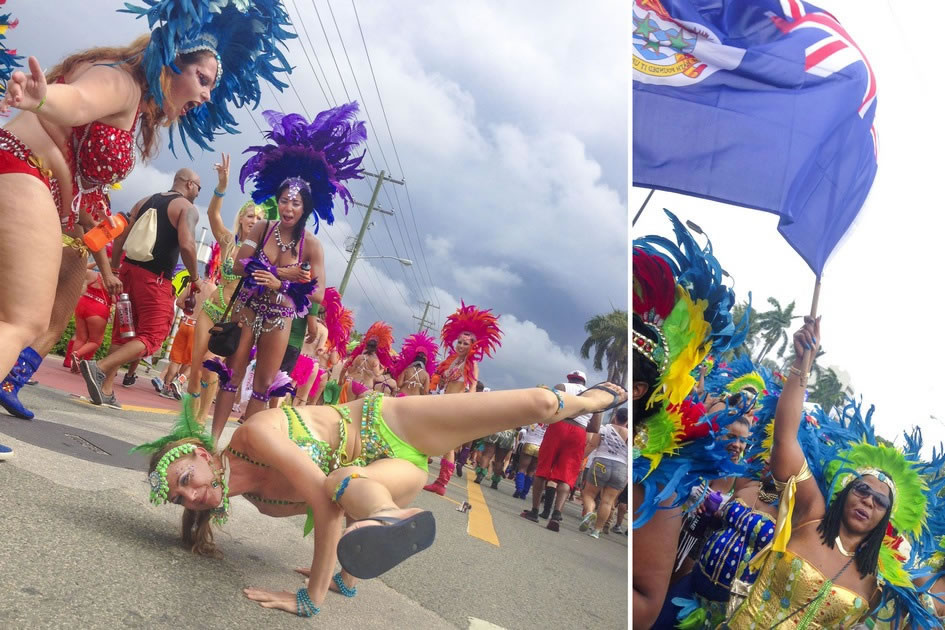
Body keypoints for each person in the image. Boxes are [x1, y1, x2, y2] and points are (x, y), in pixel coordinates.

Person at [0, 1, 293, 404]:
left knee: (25, 318)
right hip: (20, 170)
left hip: (35, 190)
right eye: (202, 78)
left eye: (211, 86)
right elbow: (80, 100)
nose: (207, 95)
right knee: (22, 321)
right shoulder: (122, 82)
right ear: (173, 60)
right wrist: (43, 97)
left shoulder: (134, 98)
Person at [136, 379, 627, 618]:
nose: (193, 494)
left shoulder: (254, 433)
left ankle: (597, 397)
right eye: (181, 499)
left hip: (388, 422)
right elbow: (337, 504)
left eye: (185, 477)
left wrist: (314, 596)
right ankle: (391, 520)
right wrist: (346, 574)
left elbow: (327, 509)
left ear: (201, 452)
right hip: (391, 477)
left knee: (541, 404)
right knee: (343, 481)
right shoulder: (263, 503)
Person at [726, 318, 934, 628]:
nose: (867, 502)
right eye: (862, 491)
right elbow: (785, 439)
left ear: (886, 519)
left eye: (879, 502)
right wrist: (801, 364)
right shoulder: (811, 514)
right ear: (846, 492)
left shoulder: (875, 583)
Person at [205, 105, 365, 442]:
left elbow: (319, 293)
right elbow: (237, 264)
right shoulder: (261, 228)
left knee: (263, 387)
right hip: (247, 310)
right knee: (231, 377)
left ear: (306, 208)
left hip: (281, 316)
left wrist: (280, 279)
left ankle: (240, 448)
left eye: (295, 204)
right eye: (284, 201)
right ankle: (211, 439)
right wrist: (279, 271)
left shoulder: (312, 246)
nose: (288, 208)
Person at [80, 168, 204, 409]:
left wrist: (115, 270)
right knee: (154, 336)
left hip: (128, 272)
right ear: (189, 184)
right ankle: (100, 368)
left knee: (124, 331)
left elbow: (119, 236)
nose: (198, 193)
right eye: (199, 187)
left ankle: (105, 389)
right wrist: (195, 277)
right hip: (155, 280)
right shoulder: (186, 209)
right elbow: (187, 245)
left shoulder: (144, 201)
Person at [186, 157, 263, 422]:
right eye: (250, 215)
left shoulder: (264, 255)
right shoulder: (229, 242)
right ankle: (189, 418)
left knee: (211, 370)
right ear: (241, 219)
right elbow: (212, 214)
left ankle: (199, 421)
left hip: (233, 320)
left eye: (260, 218)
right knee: (195, 369)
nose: (254, 220)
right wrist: (222, 185)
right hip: (211, 310)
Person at [424, 303, 502, 495]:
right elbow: (443, 381)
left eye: (465, 343)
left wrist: (467, 407)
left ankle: (441, 483)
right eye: (459, 342)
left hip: (455, 407)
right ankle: (430, 475)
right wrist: (440, 381)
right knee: (434, 438)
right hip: (443, 403)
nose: (460, 345)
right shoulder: (454, 361)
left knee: (448, 445)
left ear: (473, 345)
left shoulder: (472, 364)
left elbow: (473, 387)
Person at [521, 370, 601, 531]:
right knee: (566, 476)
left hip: (558, 427)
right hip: (579, 433)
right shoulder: (594, 396)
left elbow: (548, 408)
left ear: (570, 379)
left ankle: (535, 511)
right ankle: (556, 515)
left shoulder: (561, 387)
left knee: (543, 470)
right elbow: (595, 427)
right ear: (583, 383)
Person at [578, 406, 628, 539]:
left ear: (615, 417)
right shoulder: (632, 435)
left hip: (601, 463)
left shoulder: (604, 429)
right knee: (608, 501)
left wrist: (580, 459)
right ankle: (597, 531)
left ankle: (589, 513)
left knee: (589, 494)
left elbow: (592, 445)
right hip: (621, 468)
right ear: (627, 421)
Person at [339, 322, 395, 403]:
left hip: (353, 382)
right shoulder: (375, 361)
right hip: (366, 387)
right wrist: (382, 369)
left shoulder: (358, 357)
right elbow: (377, 375)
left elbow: (348, 367)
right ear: (377, 348)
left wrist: (341, 379)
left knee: (345, 407)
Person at [393, 332, 436, 397]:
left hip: (402, 396)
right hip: (414, 399)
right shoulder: (426, 375)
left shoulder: (407, 370)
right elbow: (425, 392)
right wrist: (418, 386)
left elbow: (399, 384)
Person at [513, 421, 545, 499]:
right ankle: (524, 493)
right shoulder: (549, 423)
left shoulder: (533, 419)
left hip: (529, 444)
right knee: (531, 472)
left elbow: (518, 427)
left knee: (522, 469)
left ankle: (519, 489)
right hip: (540, 448)